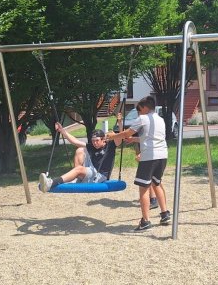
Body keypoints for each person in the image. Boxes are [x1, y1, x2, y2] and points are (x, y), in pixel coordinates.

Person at [107, 95, 170, 231]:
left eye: (139, 110)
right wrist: (134, 139)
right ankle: (165, 213)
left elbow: (126, 133)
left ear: (145, 108)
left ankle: (145, 221)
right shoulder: (160, 119)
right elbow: (151, 137)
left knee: (144, 188)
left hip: (149, 157)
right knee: (157, 183)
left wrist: (113, 136)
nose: (138, 112)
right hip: (162, 155)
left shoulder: (143, 118)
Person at [38, 119, 119, 192]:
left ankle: (51, 183)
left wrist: (120, 122)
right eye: (93, 141)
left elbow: (121, 137)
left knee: (79, 169)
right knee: (80, 150)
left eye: (97, 140)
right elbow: (75, 141)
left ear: (103, 140)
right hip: (91, 170)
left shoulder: (110, 145)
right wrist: (62, 130)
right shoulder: (92, 147)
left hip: (100, 176)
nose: (95, 143)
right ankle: (77, 178)